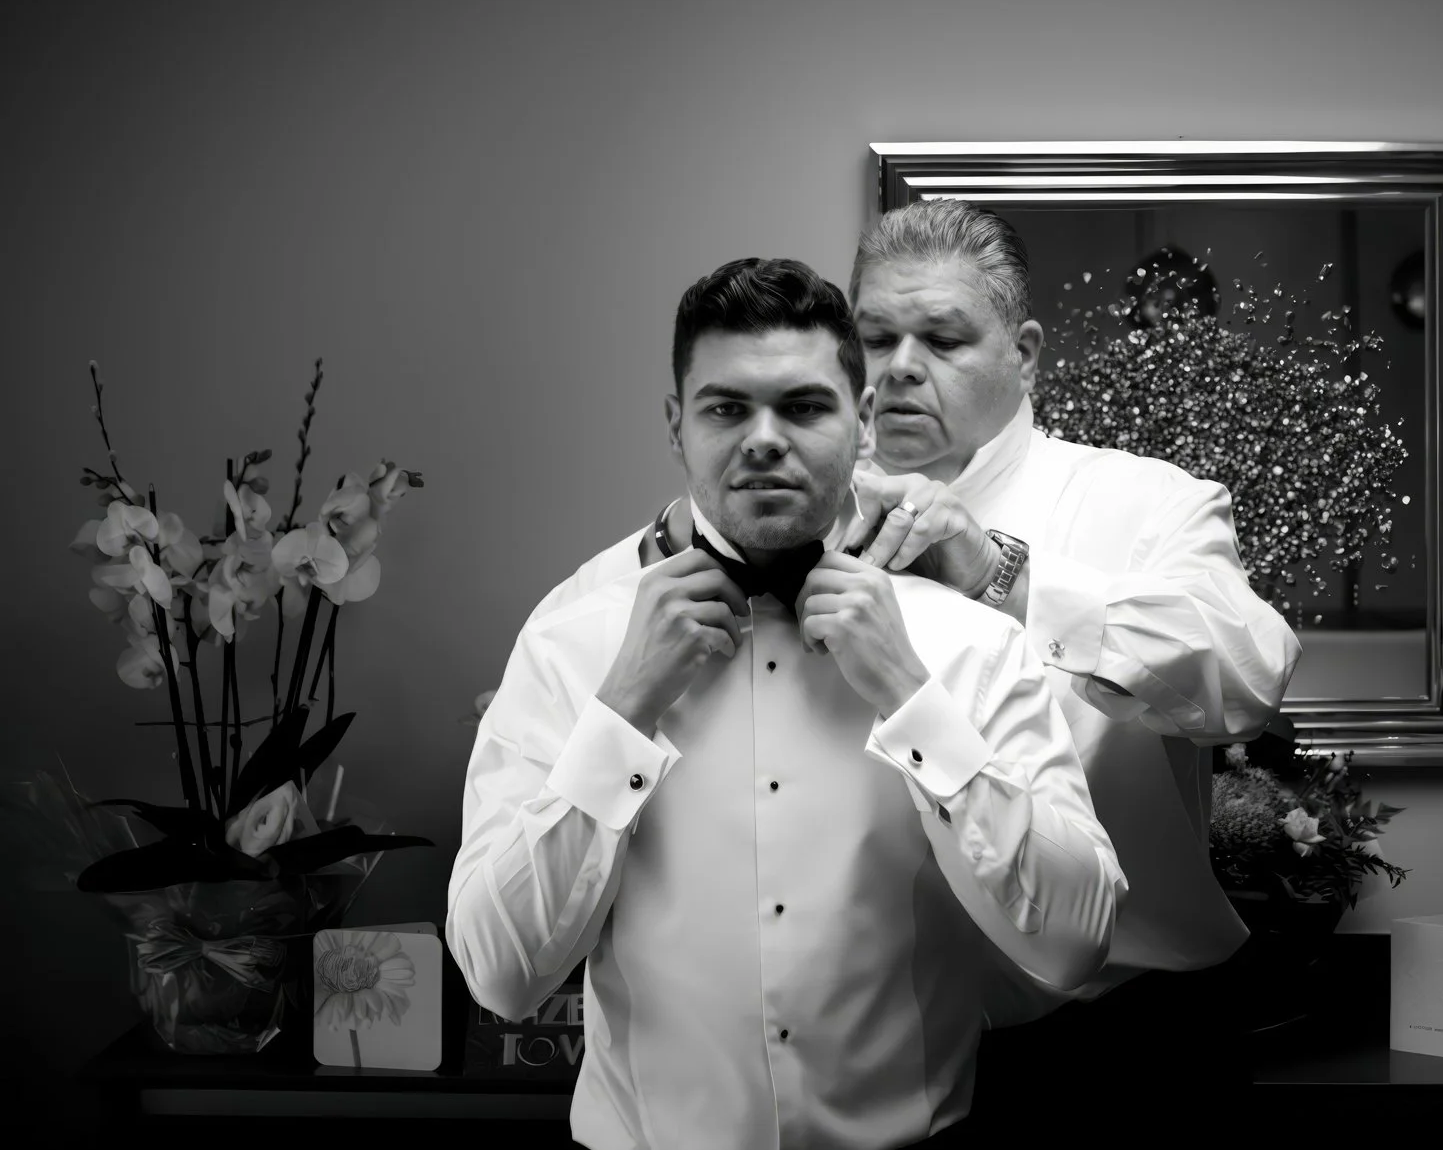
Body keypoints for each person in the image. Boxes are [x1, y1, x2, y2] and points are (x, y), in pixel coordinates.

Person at [448, 258, 1124, 1150]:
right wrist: (621, 709)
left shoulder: (967, 643)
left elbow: (1076, 941)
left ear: (865, 418)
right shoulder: (572, 638)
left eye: (803, 406)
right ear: (675, 425)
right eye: (726, 407)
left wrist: (911, 698)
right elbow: (499, 974)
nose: (764, 438)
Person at [841, 203, 1301, 1108]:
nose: (899, 366)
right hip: (869, 1061)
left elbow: (1251, 672)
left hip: (1124, 1054)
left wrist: (1002, 577)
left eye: (941, 337)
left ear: (1026, 352)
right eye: (874, 336)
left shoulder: (1146, 503)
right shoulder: (802, 519)